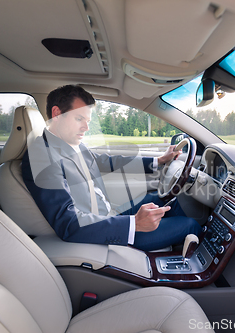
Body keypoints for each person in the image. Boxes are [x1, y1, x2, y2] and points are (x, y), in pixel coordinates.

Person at [21, 85, 201, 251]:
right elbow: (68, 224)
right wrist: (134, 224)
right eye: (79, 118)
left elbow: (109, 161)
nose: (86, 127)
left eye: (88, 120)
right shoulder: (42, 157)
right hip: (103, 231)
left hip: (110, 214)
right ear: (57, 113)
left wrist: (160, 160)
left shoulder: (70, 144)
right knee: (190, 225)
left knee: (165, 198)